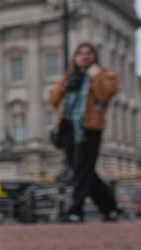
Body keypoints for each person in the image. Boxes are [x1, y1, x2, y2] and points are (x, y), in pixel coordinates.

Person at [48, 42, 122, 223]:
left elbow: (105, 96)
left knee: (82, 170)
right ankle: (110, 208)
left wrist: (94, 77)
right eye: (80, 53)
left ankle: (75, 210)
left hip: (89, 128)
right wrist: (62, 87)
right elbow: (53, 100)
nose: (84, 56)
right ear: (75, 58)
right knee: (82, 170)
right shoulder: (68, 77)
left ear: (94, 56)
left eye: (88, 53)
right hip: (67, 129)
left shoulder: (106, 76)